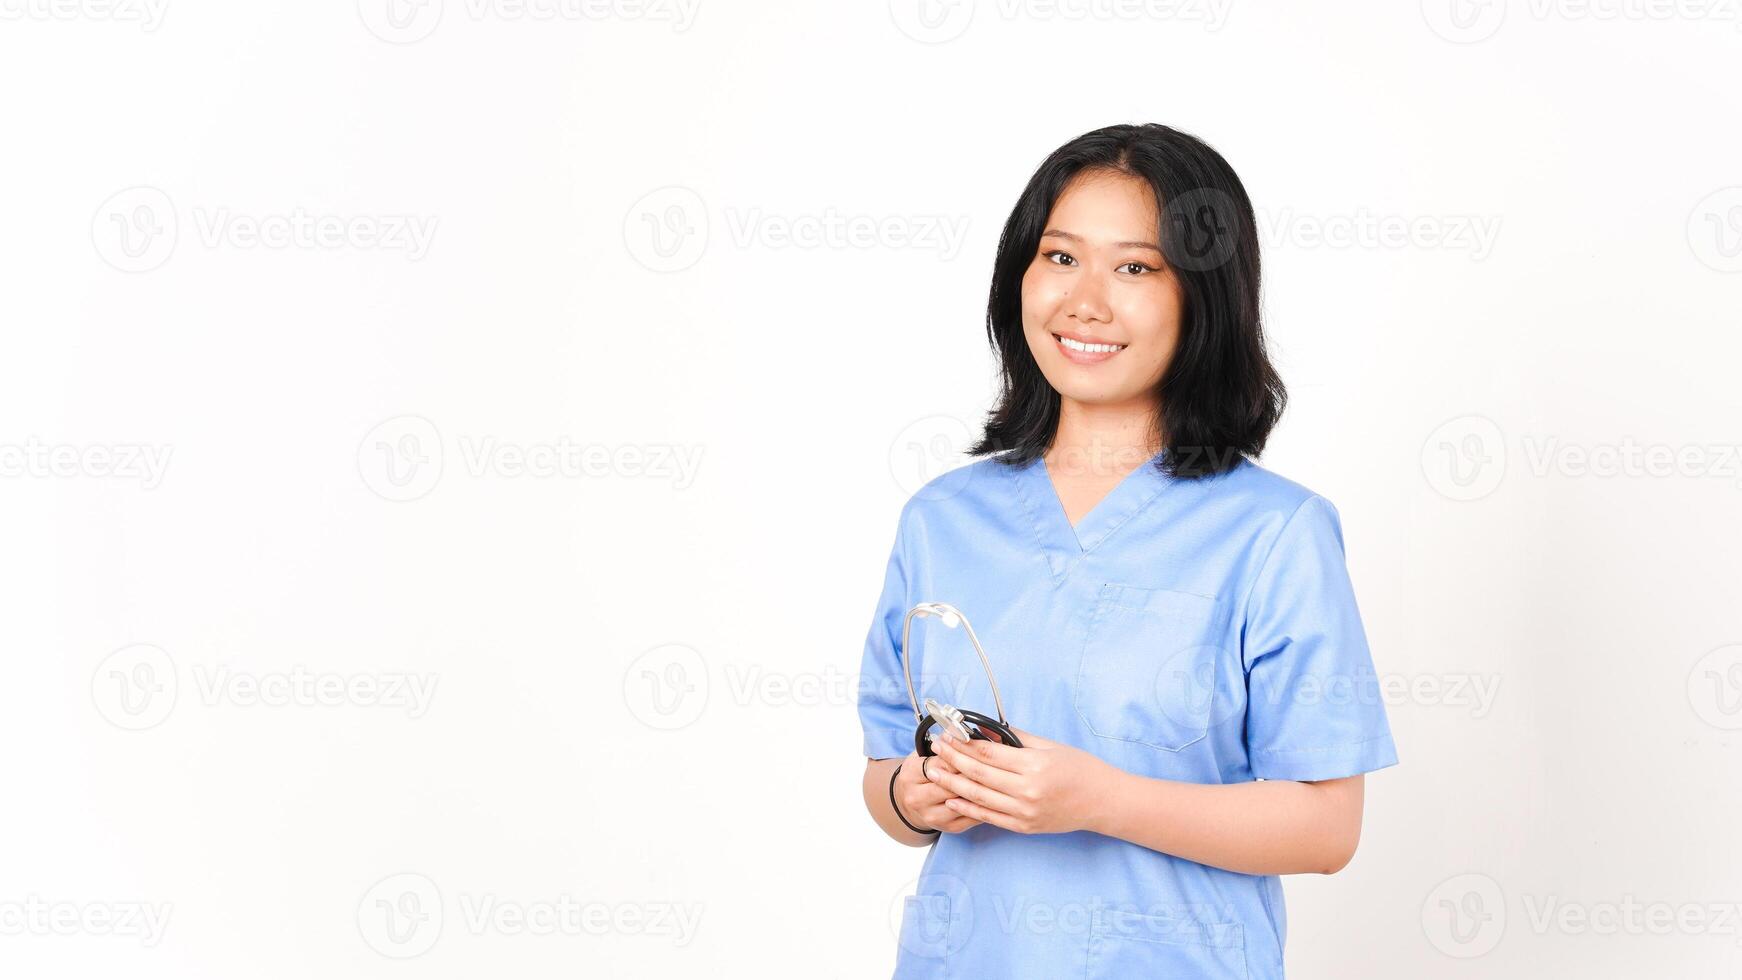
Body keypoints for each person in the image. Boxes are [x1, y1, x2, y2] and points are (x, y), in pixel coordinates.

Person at [857, 123, 1398, 979]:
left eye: (1136, 267)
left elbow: (1328, 831)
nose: (1086, 300)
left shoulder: (1274, 532)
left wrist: (1099, 801)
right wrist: (912, 795)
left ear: (1204, 296)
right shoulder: (943, 519)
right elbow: (888, 778)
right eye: (1061, 257)